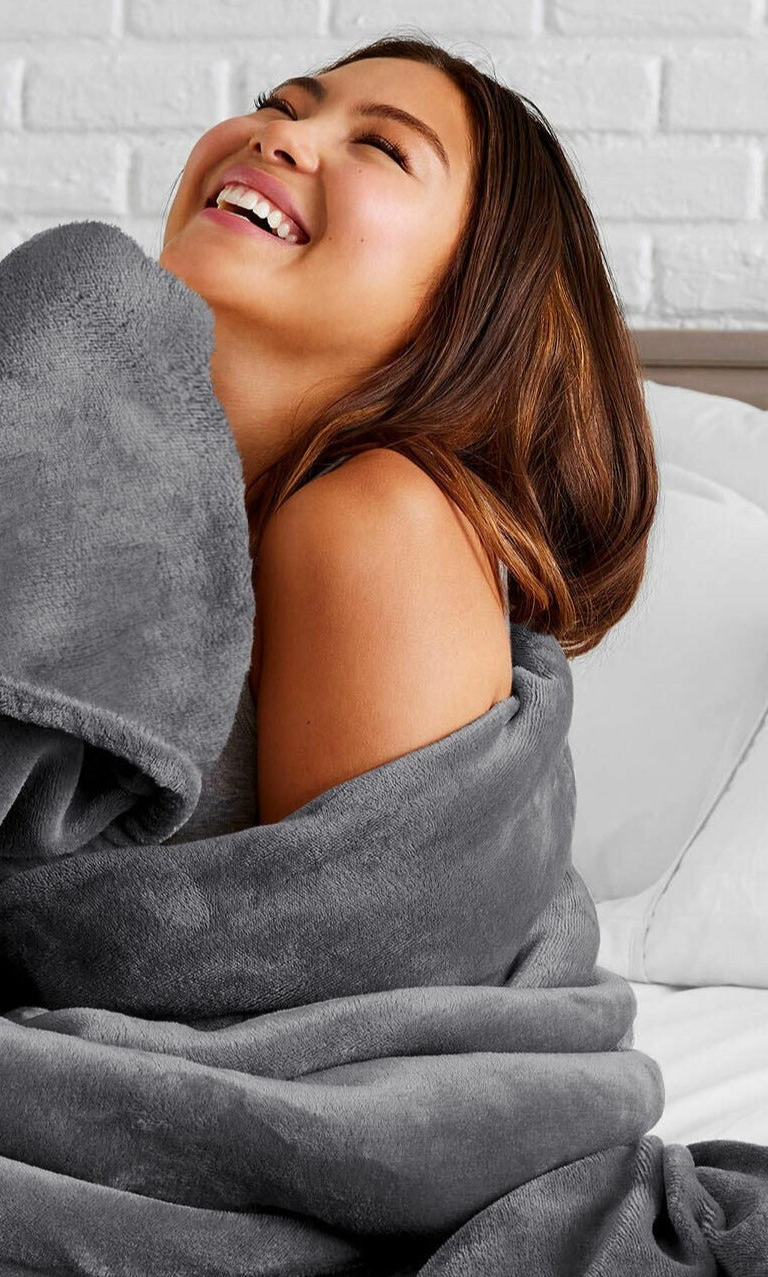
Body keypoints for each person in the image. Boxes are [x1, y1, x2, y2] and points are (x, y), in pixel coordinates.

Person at [157, 34, 658, 824]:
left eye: (383, 148)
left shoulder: (378, 518)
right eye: (278, 105)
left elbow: (357, 909)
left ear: (474, 299)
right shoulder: (104, 490)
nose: (278, 136)